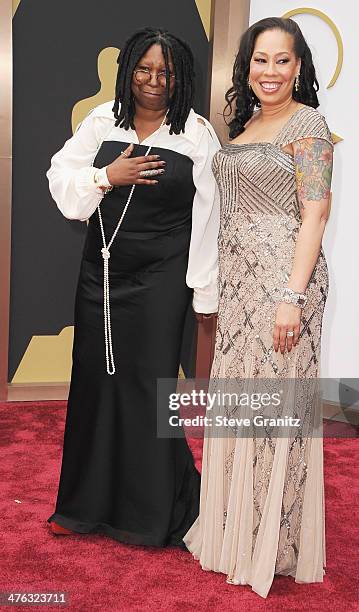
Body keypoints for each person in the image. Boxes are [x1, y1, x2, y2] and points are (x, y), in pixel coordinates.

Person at [46, 28, 220, 548]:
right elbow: (63, 185)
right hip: (100, 274)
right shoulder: (103, 120)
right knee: (95, 385)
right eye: (143, 69)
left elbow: (210, 218)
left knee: (149, 388)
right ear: (128, 70)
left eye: (164, 72)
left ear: (180, 78)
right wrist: (106, 175)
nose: (153, 80)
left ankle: (148, 515)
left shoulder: (196, 133)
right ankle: (83, 508)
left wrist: (204, 295)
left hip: (164, 277)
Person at [184, 17, 334, 596]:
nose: (269, 72)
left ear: (300, 67)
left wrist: (292, 297)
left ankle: (272, 542)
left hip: (282, 287)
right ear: (245, 66)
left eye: (282, 60)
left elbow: (314, 215)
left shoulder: (308, 125)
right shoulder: (244, 125)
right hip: (241, 288)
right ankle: (235, 531)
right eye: (260, 60)